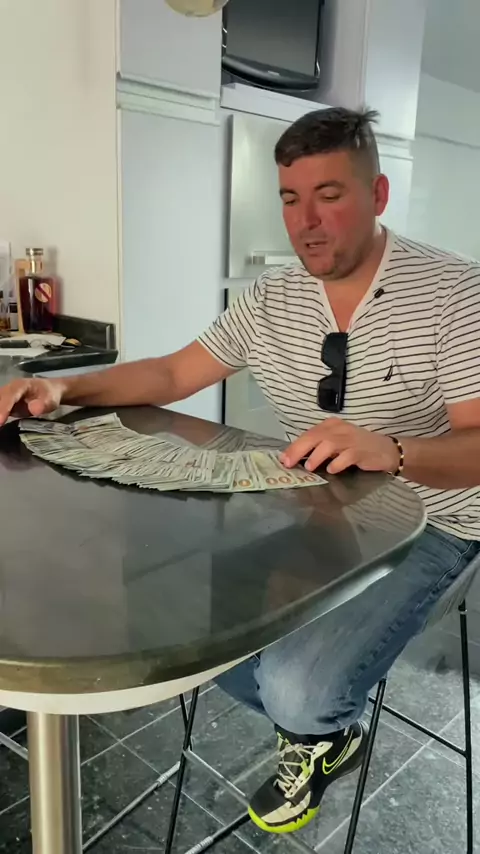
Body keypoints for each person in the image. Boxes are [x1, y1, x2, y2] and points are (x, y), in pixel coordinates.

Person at [1, 107, 480, 835]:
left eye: (330, 195)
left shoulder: (455, 294)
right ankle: (317, 707)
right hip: (319, 503)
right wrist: (64, 388)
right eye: (291, 199)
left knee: (296, 689)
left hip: (435, 523)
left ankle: (323, 733)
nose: (306, 222)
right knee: (172, 619)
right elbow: (172, 373)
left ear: (378, 194)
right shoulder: (272, 298)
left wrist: (395, 448)